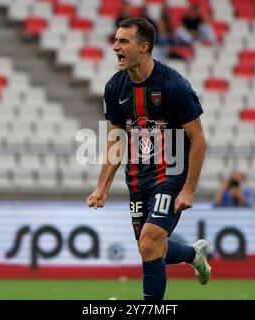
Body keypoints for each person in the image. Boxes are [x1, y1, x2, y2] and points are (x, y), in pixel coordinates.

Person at [86, 17, 211, 300]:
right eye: (115, 40)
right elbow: (116, 139)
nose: (115, 46)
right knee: (150, 248)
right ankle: (194, 255)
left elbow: (199, 138)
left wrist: (188, 188)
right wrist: (102, 186)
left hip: (172, 173)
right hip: (137, 177)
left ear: (144, 47)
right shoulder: (114, 88)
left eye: (123, 41)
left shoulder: (174, 85)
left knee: (150, 241)